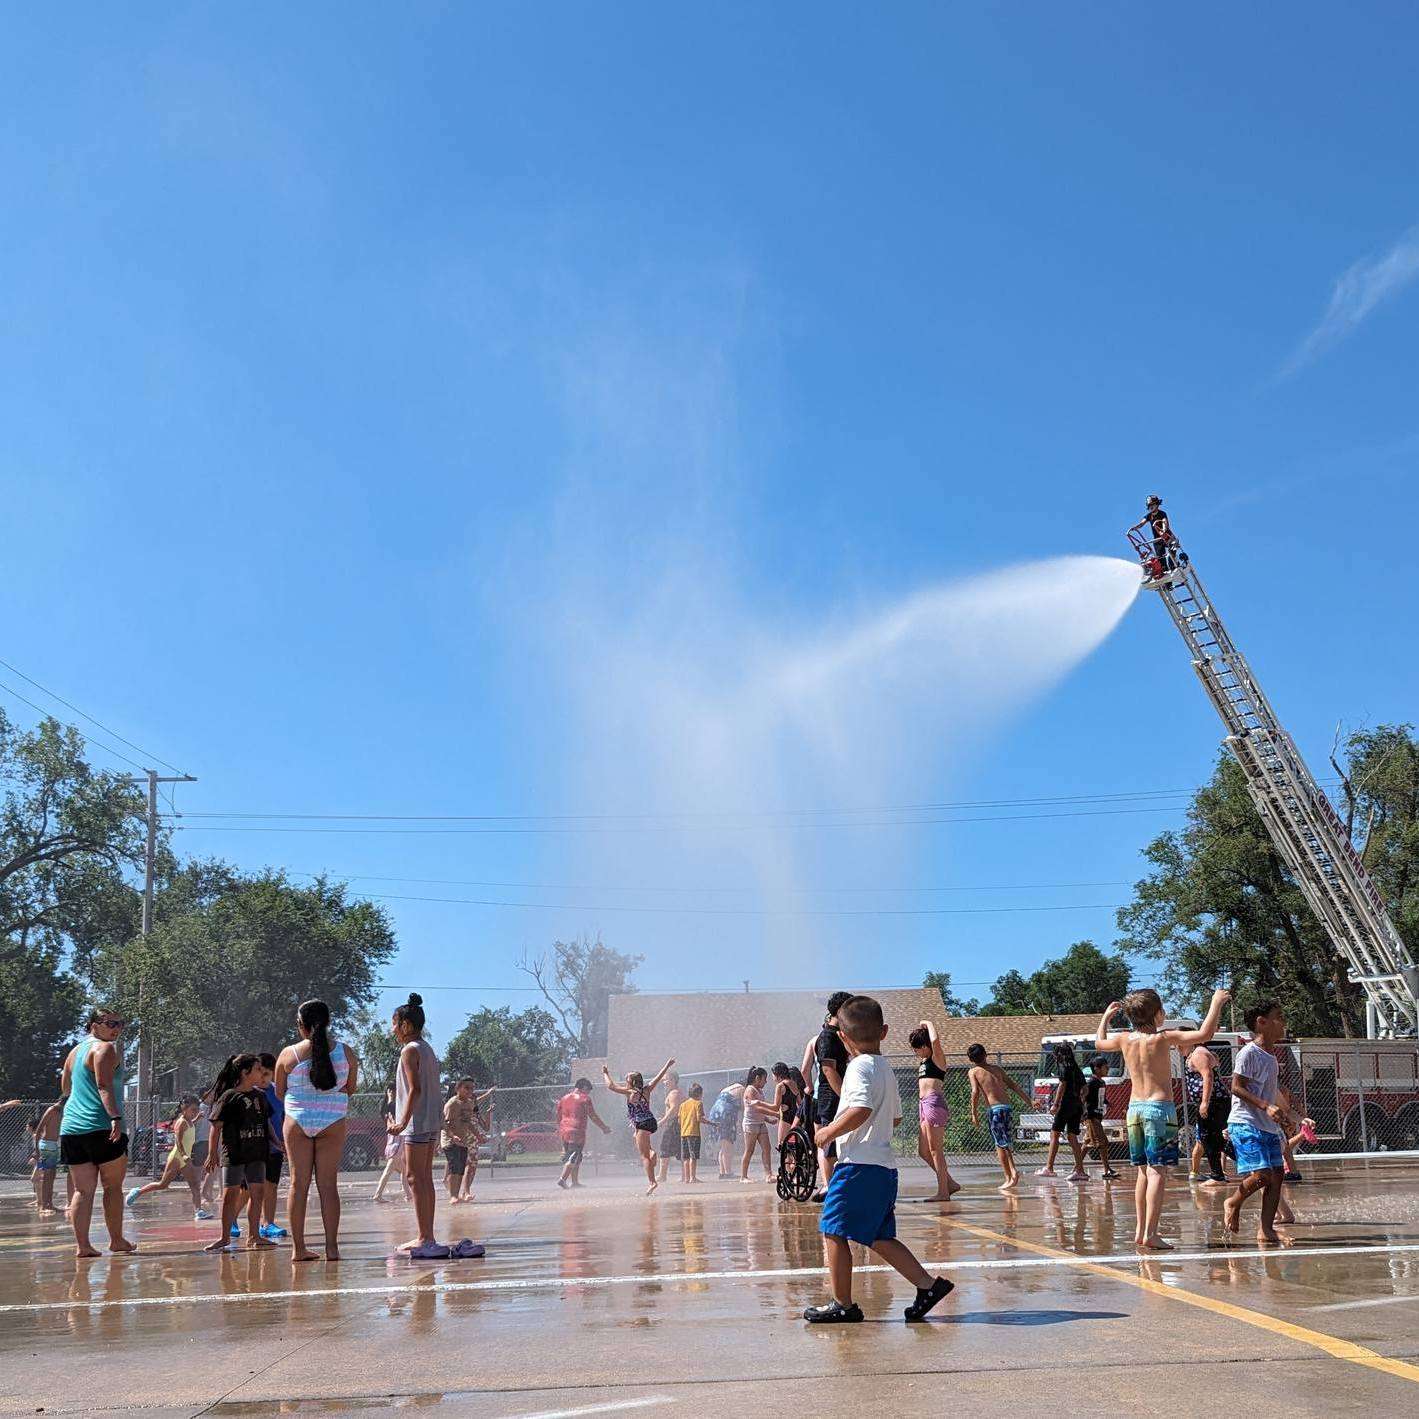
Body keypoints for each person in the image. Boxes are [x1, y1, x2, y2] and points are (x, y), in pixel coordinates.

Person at [803, 995, 953, 1324]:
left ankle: (842, 1303)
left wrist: (828, 1132)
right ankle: (928, 1286)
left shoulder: (858, 1068)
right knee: (879, 1236)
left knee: (833, 1230)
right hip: (884, 1167)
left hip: (858, 1165)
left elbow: (860, 1110)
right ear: (884, 1032)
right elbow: (895, 1118)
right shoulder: (885, 1068)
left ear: (842, 1037)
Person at [1095, 986, 1229, 1250]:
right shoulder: (1162, 1038)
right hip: (1159, 1109)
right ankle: (1152, 1233)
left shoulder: (1124, 1039)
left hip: (1134, 1110)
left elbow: (1099, 1042)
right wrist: (1215, 1003)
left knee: (1144, 1172)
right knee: (1158, 1172)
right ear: (1158, 1015)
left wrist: (1105, 1018)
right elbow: (1205, 1034)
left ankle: (1140, 1230)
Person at [277, 998, 359, 1263]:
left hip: (297, 1120)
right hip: (333, 1120)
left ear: (301, 1026)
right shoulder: (346, 1052)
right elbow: (350, 1088)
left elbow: (280, 1092)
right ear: (328, 1023)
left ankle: (298, 1249)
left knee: (298, 1185)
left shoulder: (289, 1054)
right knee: (328, 1185)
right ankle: (332, 1248)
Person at [59, 1006, 135, 1257]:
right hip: (101, 1125)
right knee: (112, 1187)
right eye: (110, 1023)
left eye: (120, 1023)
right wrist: (115, 1117)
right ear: (94, 1025)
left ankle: (83, 1246)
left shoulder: (74, 1051)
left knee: (83, 1190)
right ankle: (116, 1240)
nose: (117, 1029)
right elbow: (103, 1085)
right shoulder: (105, 1049)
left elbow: (66, 1087)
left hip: (72, 1128)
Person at [1224, 1002, 1295, 1247]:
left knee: (1277, 1176)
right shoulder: (1249, 1053)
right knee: (1263, 1175)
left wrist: (1284, 1118)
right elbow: (1236, 1087)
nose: (1283, 1022)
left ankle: (1266, 1229)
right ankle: (1234, 1201)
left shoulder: (1271, 1058)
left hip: (1266, 1125)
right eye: (1278, 1017)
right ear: (1261, 1022)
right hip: (1245, 1122)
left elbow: (1270, 1092)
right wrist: (1265, 1107)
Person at [388, 993, 449, 1258]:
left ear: (407, 1026)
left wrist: (402, 1121)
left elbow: (415, 1089)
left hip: (417, 1122)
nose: (392, 1029)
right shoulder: (427, 1048)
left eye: (394, 1023)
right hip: (429, 1121)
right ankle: (428, 1236)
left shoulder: (410, 1050)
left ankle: (425, 1238)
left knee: (415, 1177)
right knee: (423, 1178)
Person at [203, 1053, 274, 1253]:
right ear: (245, 1072)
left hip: (257, 1152)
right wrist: (212, 1154)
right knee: (230, 1195)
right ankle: (224, 1237)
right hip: (234, 1153)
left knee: (257, 1193)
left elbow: (266, 1123)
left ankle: (254, 1236)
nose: (262, 1072)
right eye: (258, 1069)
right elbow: (215, 1127)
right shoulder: (229, 1096)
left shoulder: (260, 1096)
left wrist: (277, 1141)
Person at [602, 1058, 675, 1195]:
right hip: (651, 1122)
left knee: (644, 1156)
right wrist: (667, 1065)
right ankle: (652, 1153)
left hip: (641, 1124)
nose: (625, 1081)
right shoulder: (647, 1089)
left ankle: (652, 1182)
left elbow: (611, 1086)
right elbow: (658, 1077)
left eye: (627, 1079)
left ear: (632, 1082)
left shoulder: (630, 1092)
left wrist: (605, 1073)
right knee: (644, 1145)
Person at [126, 1096, 205, 1216]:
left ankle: (198, 1211)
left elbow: (189, 1127)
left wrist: (197, 1119)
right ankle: (138, 1191)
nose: (195, 1112)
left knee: (194, 1184)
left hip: (185, 1158)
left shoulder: (189, 1121)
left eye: (197, 1110)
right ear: (184, 1110)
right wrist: (183, 1155)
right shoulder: (181, 1122)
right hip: (177, 1157)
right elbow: (177, 1141)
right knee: (163, 1185)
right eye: (193, 1110)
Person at [967, 1044, 1032, 1190]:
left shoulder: (973, 1072)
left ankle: (1011, 1175)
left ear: (971, 1059)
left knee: (1000, 1144)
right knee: (1005, 1141)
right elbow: (1014, 1086)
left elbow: (975, 1092)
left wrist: (974, 1113)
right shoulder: (997, 1069)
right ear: (986, 1054)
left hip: (994, 1110)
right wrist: (1029, 1101)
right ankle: (1010, 1176)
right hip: (1007, 1109)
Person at [907, 1022, 960, 1201]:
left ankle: (943, 1192)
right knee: (923, 1151)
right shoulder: (923, 1061)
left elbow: (935, 1041)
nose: (915, 1053)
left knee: (935, 1150)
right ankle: (949, 1183)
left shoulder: (937, 1059)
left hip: (933, 1104)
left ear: (924, 1046)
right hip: (923, 1105)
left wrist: (928, 1023)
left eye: (917, 1049)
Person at [811, 992, 852, 1202]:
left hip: (839, 1094)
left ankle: (837, 1186)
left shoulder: (840, 1035)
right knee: (830, 1141)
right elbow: (828, 1070)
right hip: (830, 1096)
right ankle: (829, 1187)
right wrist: (845, 1096)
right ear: (840, 1011)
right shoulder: (827, 1036)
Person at [1037, 1042, 1089, 1182]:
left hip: (1065, 1105)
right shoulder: (1077, 1069)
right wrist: (1080, 1101)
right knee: (1073, 1137)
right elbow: (1085, 1089)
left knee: (1055, 1133)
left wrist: (1055, 1104)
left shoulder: (1063, 1067)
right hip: (1076, 1105)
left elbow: (1062, 1084)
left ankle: (1049, 1168)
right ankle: (1080, 1170)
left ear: (1059, 1055)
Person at [1185, 1043, 1231, 1186]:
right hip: (1213, 1103)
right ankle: (1218, 1174)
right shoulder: (1194, 1055)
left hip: (1214, 1103)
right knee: (1213, 1139)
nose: (1177, 1046)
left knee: (1211, 1138)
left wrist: (1205, 1102)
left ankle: (1217, 1175)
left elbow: (1208, 1076)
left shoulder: (1198, 1053)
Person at [556, 1077, 610, 1189]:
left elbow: (558, 1116)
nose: (589, 1092)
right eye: (588, 1090)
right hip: (576, 1130)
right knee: (574, 1156)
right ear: (584, 1087)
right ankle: (563, 1179)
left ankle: (574, 1182)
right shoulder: (584, 1099)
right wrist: (603, 1127)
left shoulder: (563, 1098)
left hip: (564, 1130)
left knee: (576, 1156)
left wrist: (559, 1128)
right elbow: (593, 1116)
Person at [257, 1054, 289, 1240]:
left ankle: (267, 1223)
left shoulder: (278, 1093)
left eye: (267, 1074)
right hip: (253, 1147)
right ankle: (232, 1220)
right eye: (259, 1073)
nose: (262, 1078)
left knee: (271, 1186)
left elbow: (285, 1117)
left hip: (275, 1147)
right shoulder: (248, 1092)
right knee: (247, 1190)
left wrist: (285, 1140)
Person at [442, 1078, 487, 1206]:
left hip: (463, 1140)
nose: (470, 1091)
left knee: (461, 1169)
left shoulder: (468, 1104)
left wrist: (478, 1136)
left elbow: (469, 1124)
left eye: (472, 1088)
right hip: (450, 1140)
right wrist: (452, 1136)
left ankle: (456, 1195)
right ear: (458, 1088)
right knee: (454, 1167)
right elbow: (444, 1124)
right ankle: (453, 1196)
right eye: (467, 1088)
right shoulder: (452, 1104)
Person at [372, 1083, 412, 1204]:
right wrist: (390, 1098)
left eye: (394, 1090)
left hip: (398, 1141)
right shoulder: (389, 1107)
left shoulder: (399, 1105)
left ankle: (409, 1195)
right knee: (390, 1169)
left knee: (404, 1171)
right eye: (390, 1090)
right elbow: (389, 1114)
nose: (392, 1092)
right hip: (395, 1142)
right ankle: (377, 1195)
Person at [1083, 1056, 1120, 1181]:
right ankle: (1106, 1170)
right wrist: (1083, 1111)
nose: (1107, 1068)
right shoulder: (1091, 1082)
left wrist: (1107, 1103)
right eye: (1105, 1067)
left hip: (1098, 1116)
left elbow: (1100, 1097)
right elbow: (1084, 1096)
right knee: (1102, 1143)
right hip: (1091, 1117)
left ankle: (1076, 1168)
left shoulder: (1101, 1082)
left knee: (1087, 1143)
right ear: (1096, 1069)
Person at [740, 1066, 777, 1182]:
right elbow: (757, 1108)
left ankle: (768, 1174)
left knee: (767, 1148)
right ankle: (743, 1177)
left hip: (760, 1123)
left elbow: (759, 1110)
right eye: (764, 1079)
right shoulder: (750, 1090)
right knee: (749, 1150)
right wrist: (775, 1114)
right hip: (750, 1124)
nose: (766, 1082)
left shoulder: (759, 1090)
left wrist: (768, 1119)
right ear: (757, 1078)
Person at [29, 1100, 63, 1216]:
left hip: (53, 1145)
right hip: (46, 1145)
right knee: (46, 1176)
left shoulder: (61, 1112)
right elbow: (39, 1130)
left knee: (51, 1176)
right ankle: (43, 1205)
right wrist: (37, 1152)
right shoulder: (52, 1110)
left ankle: (49, 1203)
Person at [708, 1081, 744, 1179]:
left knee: (723, 1145)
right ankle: (728, 1172)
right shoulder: (742, 1088)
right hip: (726, 1113)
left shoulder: (728, 1089)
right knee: (728, 1144)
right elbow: (744, 1107)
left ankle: (722, 1172)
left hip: (715, 1113)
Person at [656, 1073, 684, 1186]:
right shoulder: (676, 1092)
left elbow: (673, 1109)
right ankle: (684, 1175)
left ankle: (662, 1176)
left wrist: (662, 1121)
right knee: (679, 1150)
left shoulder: (674, 1093)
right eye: (664, 1080)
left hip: (673, 1124)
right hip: (676, 1123)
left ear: (673, 1080)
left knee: (665, 1149)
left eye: (666, 1080)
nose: (664, 1082)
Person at [770, 1062, 804, 1149]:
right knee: (793, 1146)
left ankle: (787, 1161)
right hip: (795, 1117)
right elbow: (800, 1103)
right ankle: (794, 1162)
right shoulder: (794, 1083)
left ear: (778, 1074)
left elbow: (775, 1107)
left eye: (773, 1074)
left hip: (785, 1118)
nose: (772, 1077)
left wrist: (758, 1104)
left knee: (782, 1146)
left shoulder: (780, 1086)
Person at [679, 1083, 706, 1184]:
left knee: (685, 1157)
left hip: (683, 1133)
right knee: (693, 1156)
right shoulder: (698, 1103)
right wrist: (711, 1123)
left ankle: (686, 1178)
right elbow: (700, 1118)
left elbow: (679, 1120)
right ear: (699, 1094)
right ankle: (693, 1177)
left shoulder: (683, 1105)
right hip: (694, 1133)